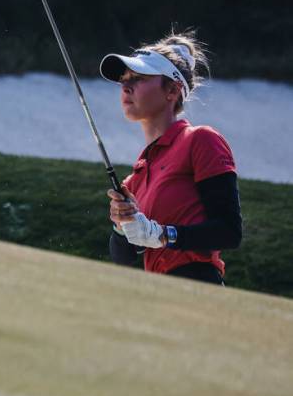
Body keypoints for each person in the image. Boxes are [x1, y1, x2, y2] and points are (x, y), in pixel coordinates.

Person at [99, 31, 242, 285]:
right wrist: (121, 225)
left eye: (139, 78)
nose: (125, 86)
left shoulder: (201, 140)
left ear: (172, 91)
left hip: (199, 282)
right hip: (159, 292)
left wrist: (163, 234)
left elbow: (229, 232)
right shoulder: (136, 179)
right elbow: (123, 258)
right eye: (124, 79)